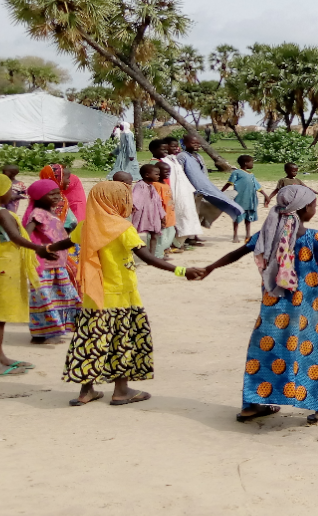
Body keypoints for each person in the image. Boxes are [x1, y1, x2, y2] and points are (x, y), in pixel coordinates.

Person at [195, 185, 318, 424]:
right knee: (308, 354)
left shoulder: (266, 234)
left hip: (271, 311)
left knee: (264, 353)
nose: (315, 208)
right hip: (303, 312)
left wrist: (209, 268)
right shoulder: (314, 237)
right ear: (305, 209)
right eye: (314, 205)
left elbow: (237, 252)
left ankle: (254, 404)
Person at [44, 181, 204, 406]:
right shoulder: (122, 228)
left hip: (93, 295)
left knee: (92, 340)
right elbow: (147, 256)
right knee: (122, 341)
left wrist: (47, 249)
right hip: (121, 294)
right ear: (116, 201)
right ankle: (121, 390)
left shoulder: (86, 225)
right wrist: (181, 270)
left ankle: (86, 391)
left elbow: (67, 241)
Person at [0, 174, 54, 375]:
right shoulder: (3, 214)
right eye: (9, 190)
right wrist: (38, 249)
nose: (12, 193)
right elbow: (15, 237)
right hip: (5, 267)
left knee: (1, 317)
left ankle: (2, 357)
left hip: (6, 265)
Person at [22, 178, 81, 343]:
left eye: (58, 193)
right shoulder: (38, 214)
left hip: (57, 263)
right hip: (45, 264)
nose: (57, 197)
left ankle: (58, 327)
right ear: (39, 197)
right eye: (51, 194)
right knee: (43, 297)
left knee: (63, 295)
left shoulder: (51, 212)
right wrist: (35, 249)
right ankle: (39, 334)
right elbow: (26, 234)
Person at [179, 134, 244, 229]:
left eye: (198, 143)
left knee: (198, 211)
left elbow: (203, 173)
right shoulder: (182, 156)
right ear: (185, 143)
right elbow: (179, 173)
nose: (197, 145)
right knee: (189, 213)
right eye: (193, 143)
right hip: (189, 189)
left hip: (201, 189)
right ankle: (189, 237)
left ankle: (195, 235)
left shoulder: (198, 156)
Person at [162, 138, 204, 249]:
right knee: (176, 218)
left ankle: (182, 241)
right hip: (174, 192)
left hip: (185, 191)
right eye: (172, 146)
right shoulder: (166, 161)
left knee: (188, 215)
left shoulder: (175, 159)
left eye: (176, 146)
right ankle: (172, 244)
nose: (175, 148)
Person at [221, 154, 265, 243]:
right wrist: (220, 192)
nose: (252, 164)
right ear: (246, 163)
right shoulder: (236, 173)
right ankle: (235, 235)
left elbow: (257, 186)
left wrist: (265, 195)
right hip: (240, 199)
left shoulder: (251, 175)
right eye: (251, 162)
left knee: (249, 218)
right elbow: (229, 183)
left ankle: (248, 235)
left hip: (250, 200)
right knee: (237, 217)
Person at [130, 165, 166, 255]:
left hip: (153, 214)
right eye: (157, 174)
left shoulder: (152, 187)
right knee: (133, 233)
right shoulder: (140, 185)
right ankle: (130, 253)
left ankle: (152, 255)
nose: (159, 176)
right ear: (147, 175)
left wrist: (162, 216)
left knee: (154, 233)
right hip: (142, 213)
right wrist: (133, 207)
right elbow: (135, 198)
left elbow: (158, 202)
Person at [150, 162, 177, 258]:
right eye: (165, 171)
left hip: (169, 216)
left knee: (170, 235)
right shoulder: (156, 185)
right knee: (161, 238)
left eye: (169, 171)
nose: (167, 173)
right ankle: (157, 256)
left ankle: (161, 253)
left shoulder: (165, 184)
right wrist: (160, 217)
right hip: (161, 217)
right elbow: (155, 202)